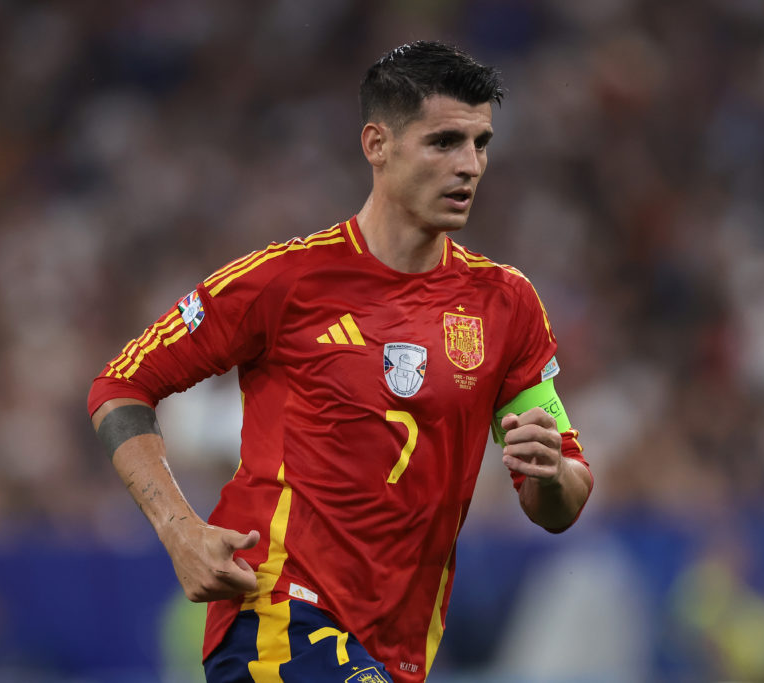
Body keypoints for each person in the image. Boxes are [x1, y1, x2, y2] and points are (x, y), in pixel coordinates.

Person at [88, 40, 593, 683]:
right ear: (376, 144)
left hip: (398, 646)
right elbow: (120, 386)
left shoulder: (505, 304)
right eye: (444, 142)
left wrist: (548, 471)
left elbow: (561, 500)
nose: (470, 165)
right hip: (274, 615)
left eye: (481, 143)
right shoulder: (285, 281)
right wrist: (177, 528)